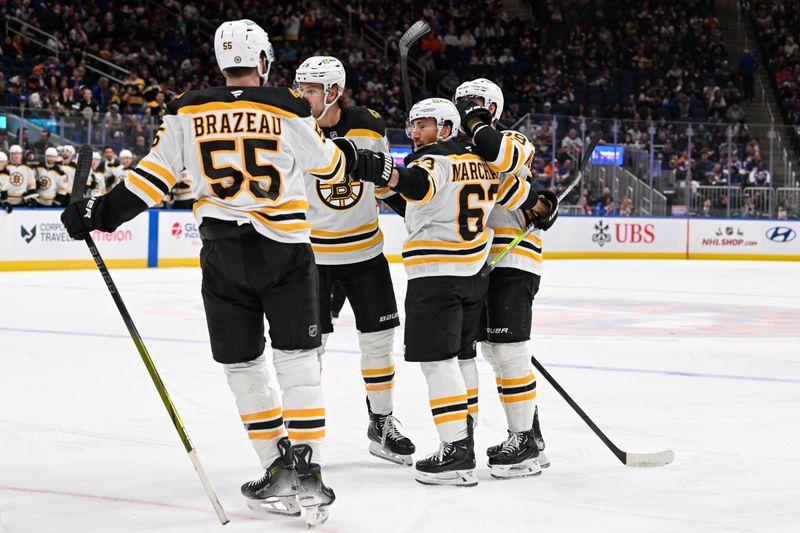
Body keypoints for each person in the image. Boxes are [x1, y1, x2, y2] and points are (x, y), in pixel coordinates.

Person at [60, 19, 373, 526]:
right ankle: (307, 469)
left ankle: (276, 465)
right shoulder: (288, 105)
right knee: (297, 361)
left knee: (243, 366)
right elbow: (330, 168)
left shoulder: (187, 107)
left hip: (224, 255)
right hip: (286, 252)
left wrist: (97, 213)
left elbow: (152, 177)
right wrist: (355, 159)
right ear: (264, 61)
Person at [354, 98, 556, 486]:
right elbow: (513, 197)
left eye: (424, 125)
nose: (415, 133)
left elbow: (419, 183)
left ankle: (460, 451)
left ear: (447, 127)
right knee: (464, 359)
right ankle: (477, 441)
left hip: (438, 273)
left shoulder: (438, 159)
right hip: (474, 272)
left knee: (443, 360)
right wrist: (540, 203)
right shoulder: (481, 161)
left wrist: (390, 174)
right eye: (412, 125)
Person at [294, 55, 414, 465]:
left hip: (365, 254)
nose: (303, 96)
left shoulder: (369, 125)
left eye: (310, 90)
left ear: (333, 92)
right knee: (309, 350)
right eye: (302, 89)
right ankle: (302, 434)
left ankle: (381, 423)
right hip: (314, 257)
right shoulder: (294, 124)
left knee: (379, 344)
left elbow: (382, 185)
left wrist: (413, 204)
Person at [454, 78, 552, 479]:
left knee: (510, 352)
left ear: (492, 106)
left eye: (475, 103)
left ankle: (524, 443)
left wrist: (534, 200)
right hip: (476, 262)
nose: (466, 109)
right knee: (493, 353)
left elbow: (502, 167)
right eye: (462, 103)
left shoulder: (512, 139)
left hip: (514, 260)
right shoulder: (458, 150)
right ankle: (533, 435)